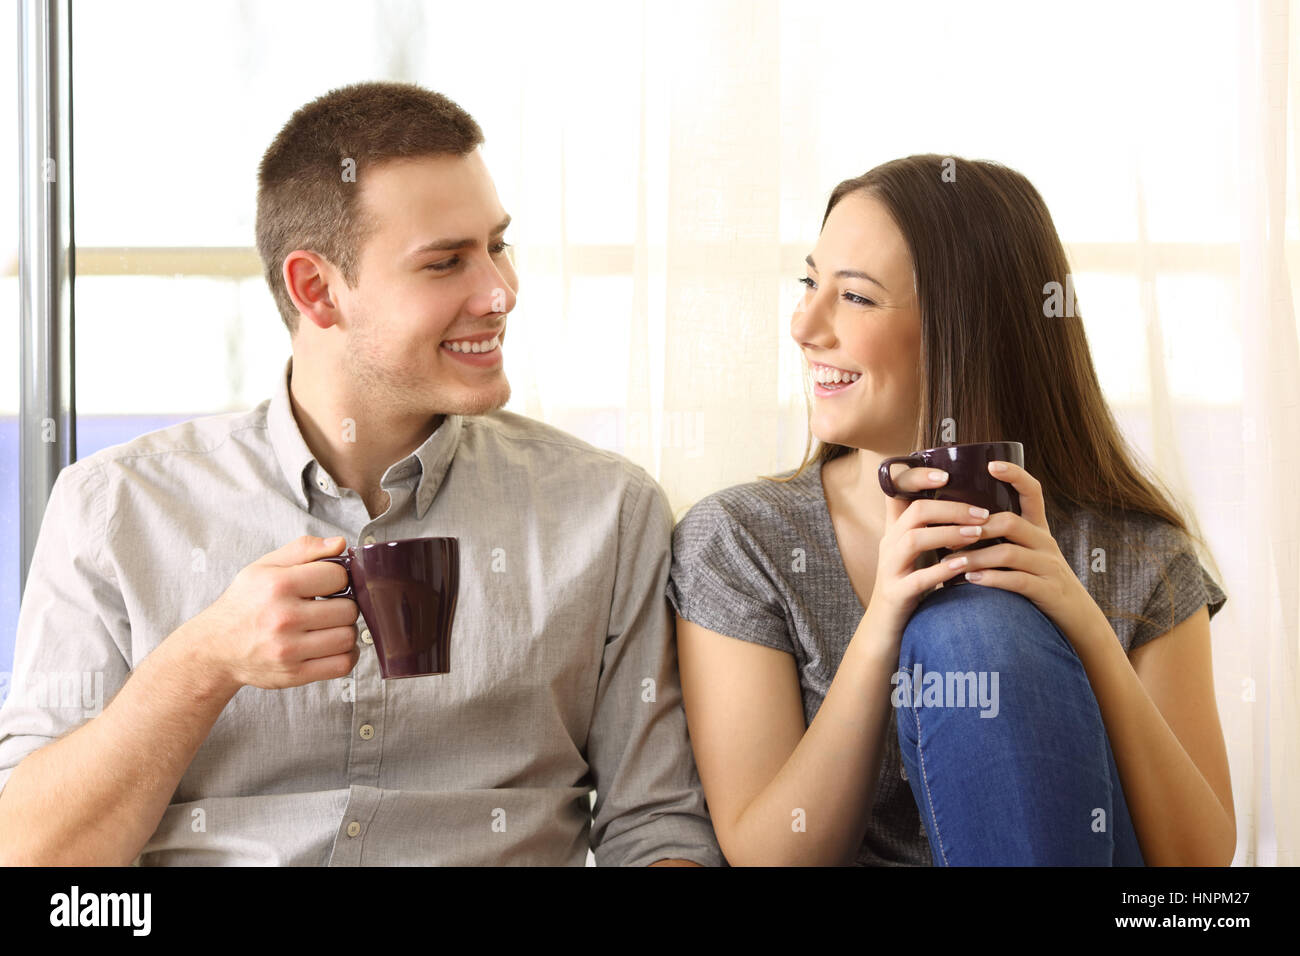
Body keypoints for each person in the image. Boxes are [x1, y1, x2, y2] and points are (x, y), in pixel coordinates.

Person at [0, 81, 720, 867]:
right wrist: (202, 662)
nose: (499, 292)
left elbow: (658, 829)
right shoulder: (115, 509)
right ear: (317, 289)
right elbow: (32, 852)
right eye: (445, 263)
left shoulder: (608, 514)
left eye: (497, 246)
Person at [667, 155, 1233, 866]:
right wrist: (884, 627)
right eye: (810, 283)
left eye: (857, 298)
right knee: (966, 631)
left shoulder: (1137, 554)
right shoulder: (742, 541)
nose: (804, 324)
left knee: (981, 630)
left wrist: (1080, 624)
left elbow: (1198, 868)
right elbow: (774, 856)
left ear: (967, 328)